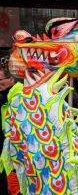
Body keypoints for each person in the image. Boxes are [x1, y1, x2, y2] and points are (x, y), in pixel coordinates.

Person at [0, 56, 20, 195]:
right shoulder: (5, 95)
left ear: (11, 80)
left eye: (0, 80)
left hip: (16, 152)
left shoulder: (18, 96)